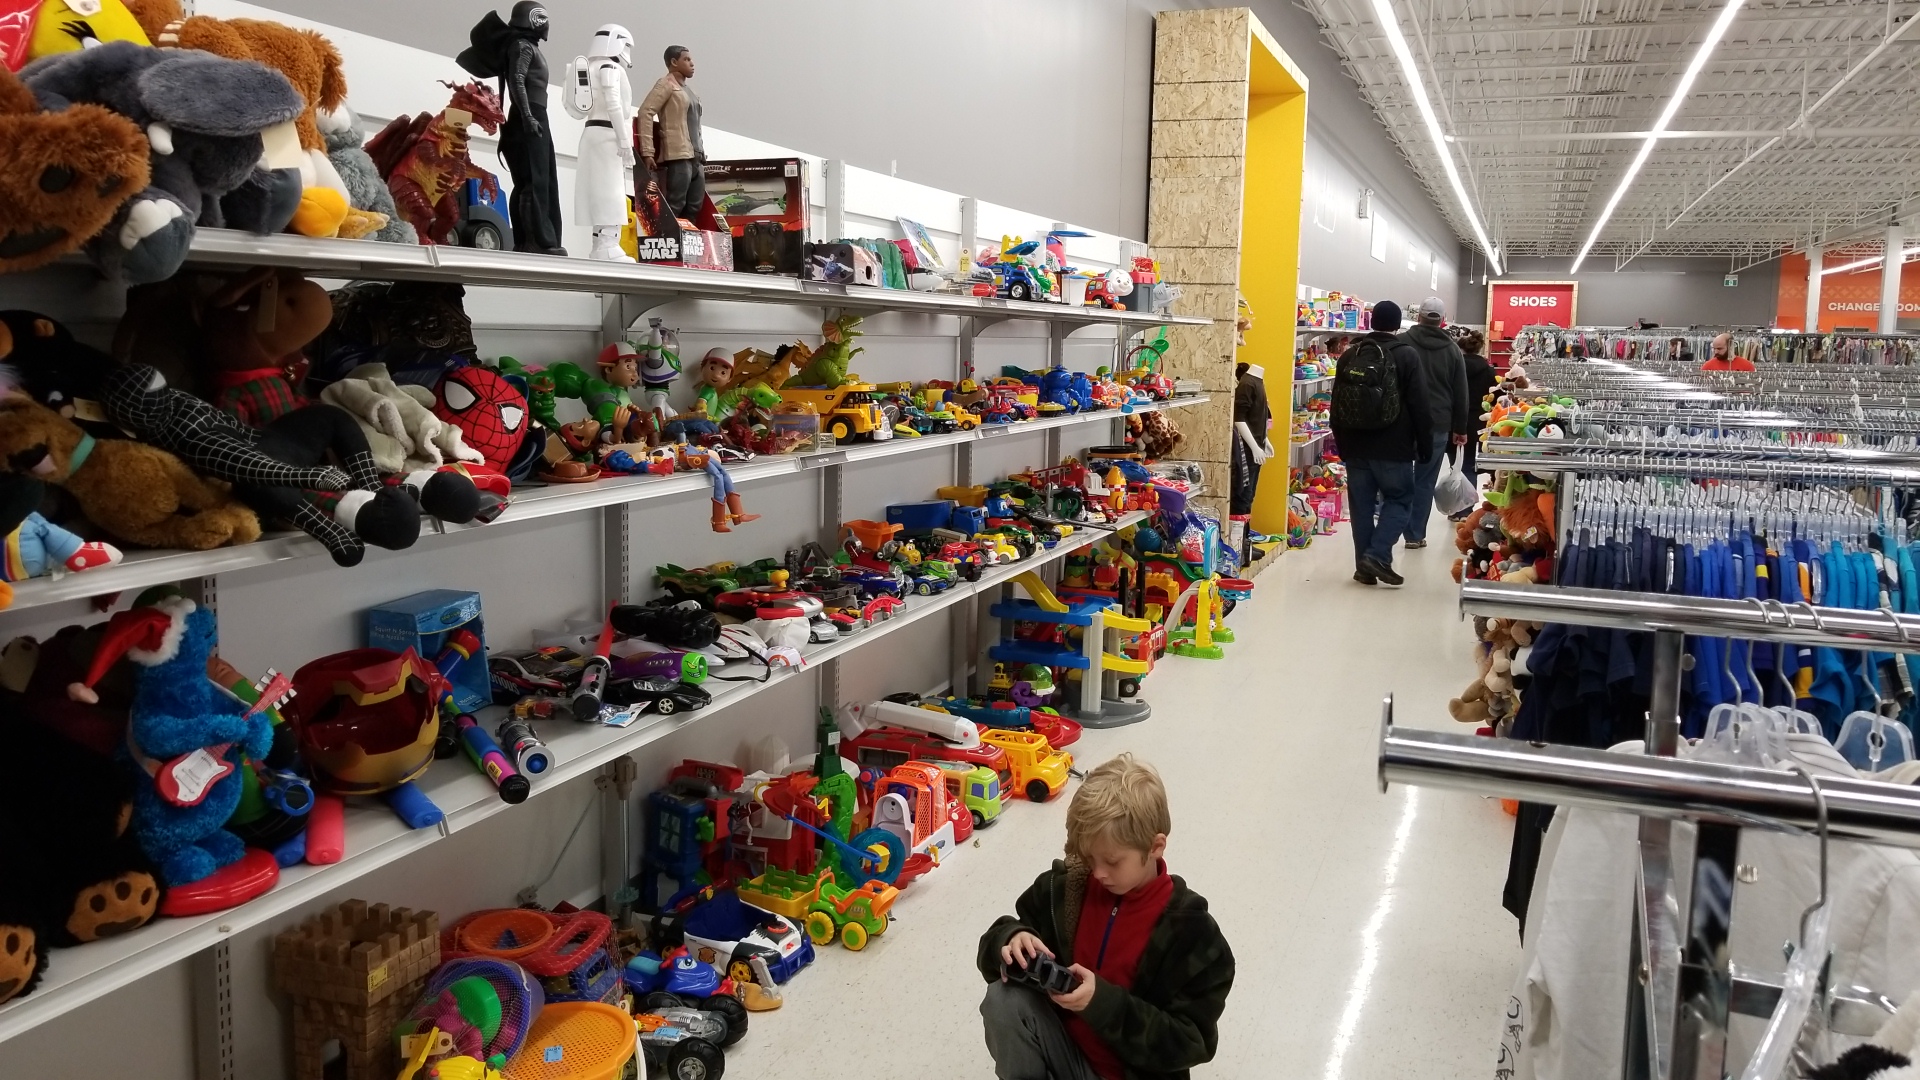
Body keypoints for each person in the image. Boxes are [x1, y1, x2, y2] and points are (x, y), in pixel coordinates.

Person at [978, 754, 1234, 1080]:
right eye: (1090, 857)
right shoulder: (1065, 890)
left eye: (1112, 861)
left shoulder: (1193, 935)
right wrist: (1012, 938)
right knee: (1003, 1000)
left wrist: (1102, 1004)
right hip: (1067, 1056)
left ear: (1155, 847)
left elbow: (1190, 1042)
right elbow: (994, 949)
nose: (1098, 873)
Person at [1329, 300, 1431, 587]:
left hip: (1355, 445)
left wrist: (1342, 444)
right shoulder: (1407, 355)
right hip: (1394, 447)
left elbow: (1336, 405)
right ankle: (1376, 556)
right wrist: (1424, 444)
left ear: (1372, 322)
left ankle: (1364, 567)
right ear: (1397, 325)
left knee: (1361, 508)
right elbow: (1420, 405)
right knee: (1400, 499)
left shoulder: (1350, 355)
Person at [1398, 297, 1470, 548]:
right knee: (1425, 480)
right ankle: (1414, 535)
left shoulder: (1401, 343)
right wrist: (1460, 428)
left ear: (1418, 316)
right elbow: (1461, 392)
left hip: (1401, 423)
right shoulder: (1452, 350)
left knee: (1397, 477)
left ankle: (1390, 528)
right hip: (1437, 423)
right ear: (1443, 320)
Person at [638, 45, 706, 220]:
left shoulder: (690, 92)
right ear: (674, 62)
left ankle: (689, 237)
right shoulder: (666, 84)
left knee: (695, 206)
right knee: (676, 204)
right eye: (686, 59)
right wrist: (648, 152)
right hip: (679, 155)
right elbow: (646, 112)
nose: (692, 63)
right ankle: (668, 235)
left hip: (697, 157)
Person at [1455, 329, 1496, 489]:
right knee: (1470, 464)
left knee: (1455, 462)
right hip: (1479, 420)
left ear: (1460, 349)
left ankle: (1455, 500)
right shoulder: (1488, 370)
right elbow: (1493, 397)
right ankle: (1467, 501)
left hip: (1455, 419)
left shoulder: (1453, 367)